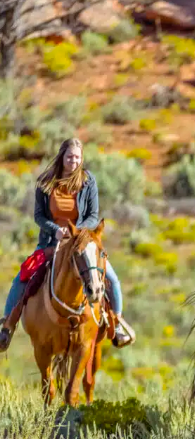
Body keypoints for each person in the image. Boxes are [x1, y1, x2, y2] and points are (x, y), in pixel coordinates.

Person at [0, 138, 134, 351]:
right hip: (51, 243)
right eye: (70, 156)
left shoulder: (89, 181)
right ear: (62, 157)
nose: (74, 161)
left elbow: (93, 215)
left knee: (112, 279)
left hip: (80, 242)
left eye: (77, 157)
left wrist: (76, 232)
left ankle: (116, 326)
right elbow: (39, 217)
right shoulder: (45, 183)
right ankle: (7, 327)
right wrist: (56, 230)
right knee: (23, 277)